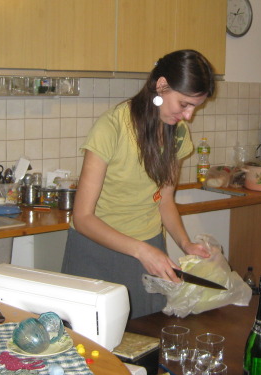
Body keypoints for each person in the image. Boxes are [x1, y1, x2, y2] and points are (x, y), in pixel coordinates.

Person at [62, 49, 216, 319]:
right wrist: (141, 251)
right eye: (184, 104)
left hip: (148, 248)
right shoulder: (112, 127)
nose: (189, 116)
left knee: (147, 336)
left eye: (195, 107)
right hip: (96, 251)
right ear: (162, 85)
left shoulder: (178, 133)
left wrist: (186, 244)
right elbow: (83, 217)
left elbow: (164, 201)